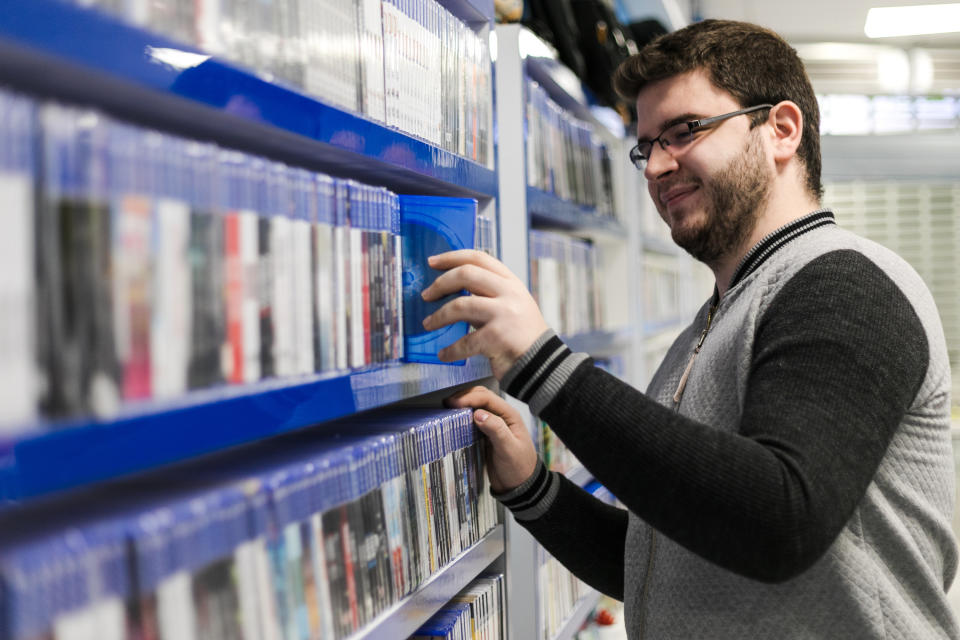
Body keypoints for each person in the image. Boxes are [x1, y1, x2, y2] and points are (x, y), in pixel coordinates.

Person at [421, 19, 959, 640]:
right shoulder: (715, 320)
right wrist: (531, 486)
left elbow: (778, 522)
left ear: (781, 130)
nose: (655, 166)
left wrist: (543, 368)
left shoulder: (845, 288)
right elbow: (669, 560)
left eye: (684, 131)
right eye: (646, 144)